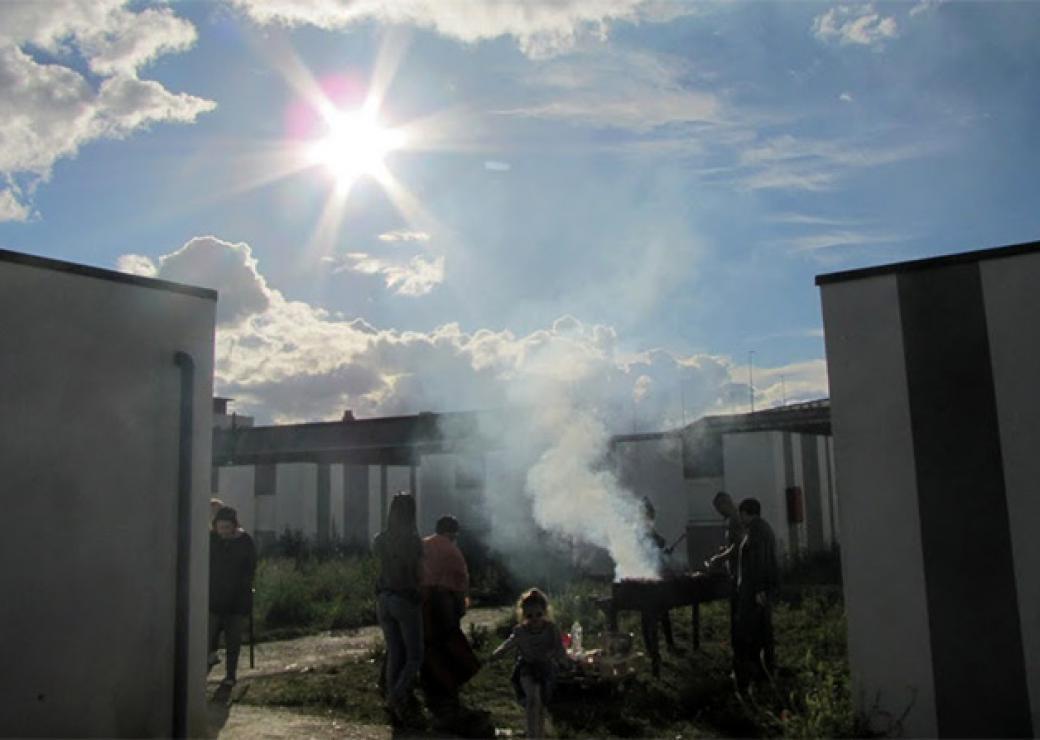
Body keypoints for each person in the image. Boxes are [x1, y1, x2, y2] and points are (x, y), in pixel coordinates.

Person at [420, 515, 479, 723]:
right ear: (452, 532)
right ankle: (448, 690)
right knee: (449, 645)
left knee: (428, 646)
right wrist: (460, 608)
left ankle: (430, 691)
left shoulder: (423, 545)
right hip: (444, 600)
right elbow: (461, 581)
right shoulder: (453, 551)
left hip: (423, 601)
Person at [373, 492, 425, 725]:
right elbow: (417, 572)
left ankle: (390, 696)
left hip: (384, 597)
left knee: (394, 651)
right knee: (414, 656)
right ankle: (395, 696)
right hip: (405, 598)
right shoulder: (413, 541)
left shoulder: (381, 538)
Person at [491, 588, 571, 739]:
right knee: (532, 699)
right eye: (529, 615)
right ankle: (531, 735)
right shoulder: (521, 631)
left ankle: (538, 735)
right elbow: (508, 644)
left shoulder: (550, 629)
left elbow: (559, 649)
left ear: (545, 612)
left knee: (540, 705)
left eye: (538, 615)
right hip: (527, 667)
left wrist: (565, 662)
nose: (534, 619)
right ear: (523, 615)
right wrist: (495, 655)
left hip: (546, 669)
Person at [208, 506, 257, 688]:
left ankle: (230, 675)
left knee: (233, 640)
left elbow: (250, 569)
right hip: (213, 600)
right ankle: (203, 671)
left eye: (227, 527)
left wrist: (244, 590)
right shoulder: (211, 540)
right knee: (207, 636)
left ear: (234, 526)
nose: (223, 532)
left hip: (236, 601)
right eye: (220, 527)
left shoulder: (245, 542)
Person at [733, 497, 779, 693]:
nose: (740, 518)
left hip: (754, 591)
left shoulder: (756, 531)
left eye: (741, 513)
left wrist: (759, 589)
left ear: (746, 513)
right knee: (762, 630)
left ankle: (757, 673)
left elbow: (758, 561)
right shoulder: (764, 528)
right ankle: (765, 670)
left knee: (754, 632)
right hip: (759, 589)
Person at [640, 497, 679, 671]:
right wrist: (661, 546)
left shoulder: (650, 528)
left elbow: (659, 546)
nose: (651, 517)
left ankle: (669, 645)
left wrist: (665, 550)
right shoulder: (639, 529)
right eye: (649, 513)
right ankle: (652, 652)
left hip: (656, 574)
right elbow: (650, 546)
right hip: (644, 576)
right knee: (648, 617)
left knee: (664, 612)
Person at [707, 491, 745, 646]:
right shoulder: (735, 518)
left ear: (725, 504)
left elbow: (738, 547)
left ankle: (739, 643)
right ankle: (737, 640)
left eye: (719, 509)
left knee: (738, 612)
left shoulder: (735, 520)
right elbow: (734, 545)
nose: (719, 513)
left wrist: (718, 559)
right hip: (736, 571)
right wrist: (725, 550)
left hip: (740, 572)